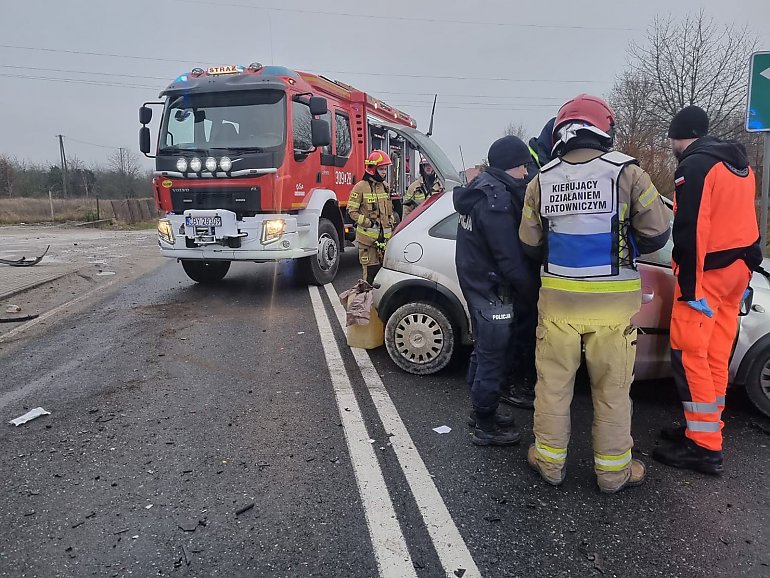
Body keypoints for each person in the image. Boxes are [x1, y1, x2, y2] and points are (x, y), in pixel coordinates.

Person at [519, 94, 671, 493]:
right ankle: (613, 474)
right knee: (612, 391)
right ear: (606, 130)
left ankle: (550, 464)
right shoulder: (628, 173)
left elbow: (529, 242)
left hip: (558, 303)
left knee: (552, 387)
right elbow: (657, 233)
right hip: (613, 307)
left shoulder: (542, 178)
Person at [653, 106, 762, 475]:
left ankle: (704, 447)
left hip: (706, 278)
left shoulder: (695, 166)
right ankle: (707, 429)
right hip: (736, 273)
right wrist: (749, 269)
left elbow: (690, 229)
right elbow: (750, 223)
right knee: (716, 355)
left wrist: (687, 287)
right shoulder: (741, 167)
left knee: (690, 357)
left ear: (677, 136)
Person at [454, 135, 540, 446]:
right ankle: (486, 426)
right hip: (493, 291)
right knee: (493, 358)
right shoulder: (496, 202)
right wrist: (534, 294)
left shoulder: (479, 190)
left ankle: (480, 411)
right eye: (522, 167)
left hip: (477, 285)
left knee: (482, 352)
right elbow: (510, 259)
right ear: (509, 167)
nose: (526, 174)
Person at [500, 118, 556, 410]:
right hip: (523, 268)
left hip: (526, 268)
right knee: (522, 330)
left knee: (525, 329)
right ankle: (514, 383)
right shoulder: (535, 173)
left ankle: (519, 380)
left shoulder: (542, 167)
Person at [347, 150, 396, 284]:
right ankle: (368, 303)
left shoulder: (385, 187)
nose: (384, 172)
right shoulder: (360, 187)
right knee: (370, 276)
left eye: (385, 169)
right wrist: (369, 223)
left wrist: (391, 221)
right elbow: (351, 211)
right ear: (372, 169)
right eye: (381, 169)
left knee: (385, 277)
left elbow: (389, 211)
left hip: (384, 241)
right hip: (368, 242)